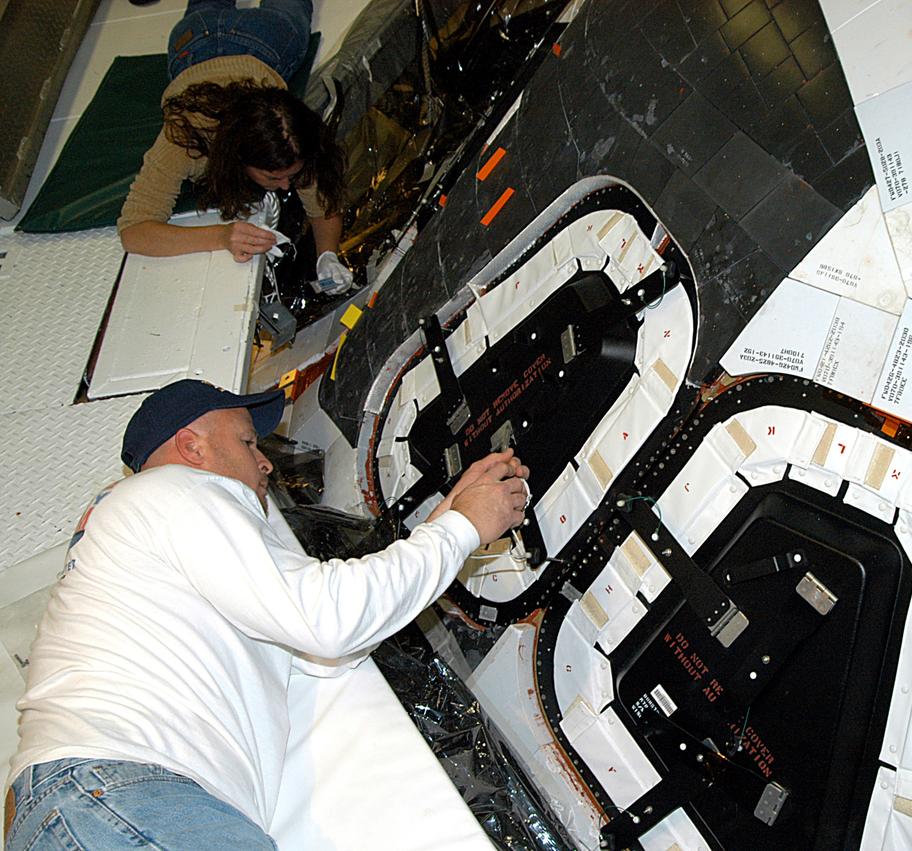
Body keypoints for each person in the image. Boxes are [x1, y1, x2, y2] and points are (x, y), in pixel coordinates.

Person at [4, 379, 528, 848]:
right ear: (192, 447)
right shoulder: (166, 492)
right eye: (248, 442)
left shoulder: (159, 548)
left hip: (104, 803)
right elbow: (326, 619)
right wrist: (459, 530)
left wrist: (446, 522)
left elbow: (331, 650)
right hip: (124, 797)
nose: (266, 463)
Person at [118, 0, 353, 290]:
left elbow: (322, 206)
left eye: (290, 176)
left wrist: (327, 254)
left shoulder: (287, 134)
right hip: (232, 42)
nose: (285, 186)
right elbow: (134, 231)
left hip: (208, 35)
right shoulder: (185, 138)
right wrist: (220, 236)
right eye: (273, 177)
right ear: (239, 157)